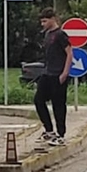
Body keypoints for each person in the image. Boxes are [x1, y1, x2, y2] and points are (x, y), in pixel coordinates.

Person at [34, 7, 72, 145]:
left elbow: (69, 53)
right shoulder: (47, 34)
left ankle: (61, 134)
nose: (42, 24)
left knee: (58, 105)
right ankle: (49, 130)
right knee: (39, 100)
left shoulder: (60, 34)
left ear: (52, 19)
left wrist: (65, 72)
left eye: (45, 21)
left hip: (58, 73)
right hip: (47, 72)